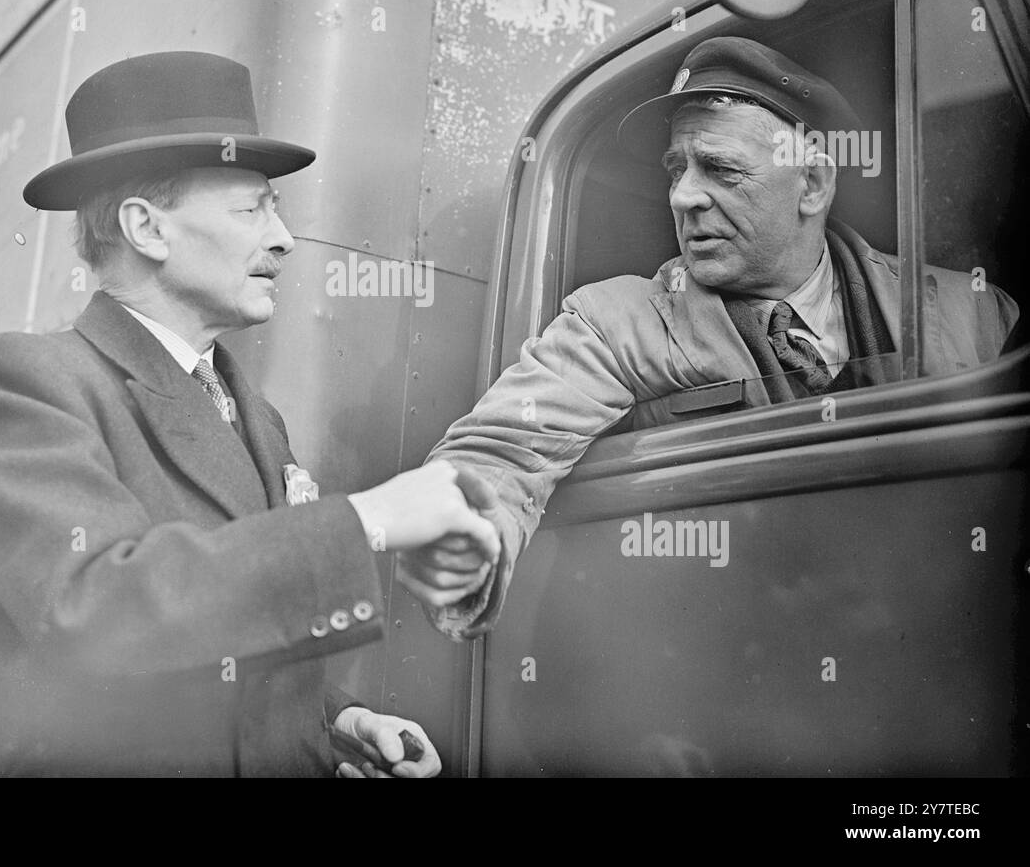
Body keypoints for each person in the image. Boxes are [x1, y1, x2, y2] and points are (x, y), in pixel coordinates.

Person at [0, 51, 500, 776]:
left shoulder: (254, 414)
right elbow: (94, 614)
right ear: (146, 228)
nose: (284, 238)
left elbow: (223, 640)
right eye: (252, 208)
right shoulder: (24, 380)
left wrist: (337, 721)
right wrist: (368, 519)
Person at [397, 36, 1018, 639]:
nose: (684, 195)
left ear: (813, 185)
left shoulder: (972, 312)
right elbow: (503, 450)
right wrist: (463, 533)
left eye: (720, 168)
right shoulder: (617, 322)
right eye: (677, 168)